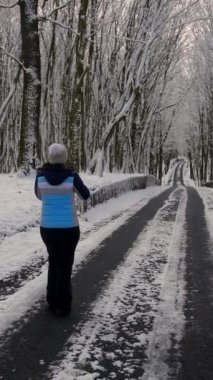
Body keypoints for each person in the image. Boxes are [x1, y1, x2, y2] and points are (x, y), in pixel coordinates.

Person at [35, 143, 90, 315]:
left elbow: (39, 195)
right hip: (68, 228)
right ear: (65, 158)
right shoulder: (72, 176)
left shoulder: (40, 177)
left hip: (48, 228)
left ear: (49, 158)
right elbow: (85, 195)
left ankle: (51, 301)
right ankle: (62, 304)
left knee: (53, 262)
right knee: (65, 264)